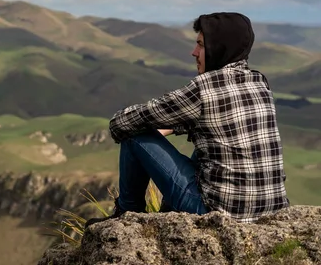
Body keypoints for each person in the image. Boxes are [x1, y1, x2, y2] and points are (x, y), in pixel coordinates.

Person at [85, 12, 290, 227]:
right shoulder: (259, 83)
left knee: (133, 135)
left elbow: (122, 123)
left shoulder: (204, 89)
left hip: (218, 215)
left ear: (218, 48)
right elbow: (208, 119)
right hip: (270, 213)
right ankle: (164, 212)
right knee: (211, 145)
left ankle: (126, 215)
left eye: (200, 45)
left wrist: (148, 129)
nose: (194, 52)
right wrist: (170, 127)